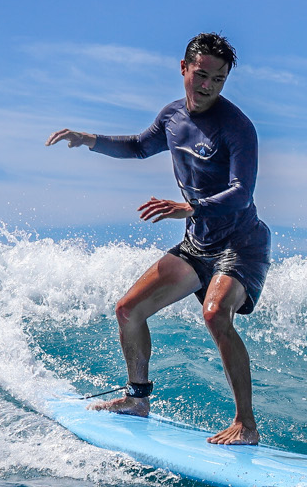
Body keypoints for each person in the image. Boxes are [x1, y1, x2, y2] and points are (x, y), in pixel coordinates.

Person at [45, 32, 271, 445]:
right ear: (183, 68)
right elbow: (137, 146)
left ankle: (246, 424)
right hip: (198, 243)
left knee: (215, 314)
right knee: (128, 310)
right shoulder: (172, 117)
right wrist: (90, 140)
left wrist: (192, 207)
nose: (208, 86)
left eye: (218, 80)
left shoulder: (237, 128)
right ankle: (137, 399)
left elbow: (242, 193)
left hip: (240, 244)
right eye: (201, 75)